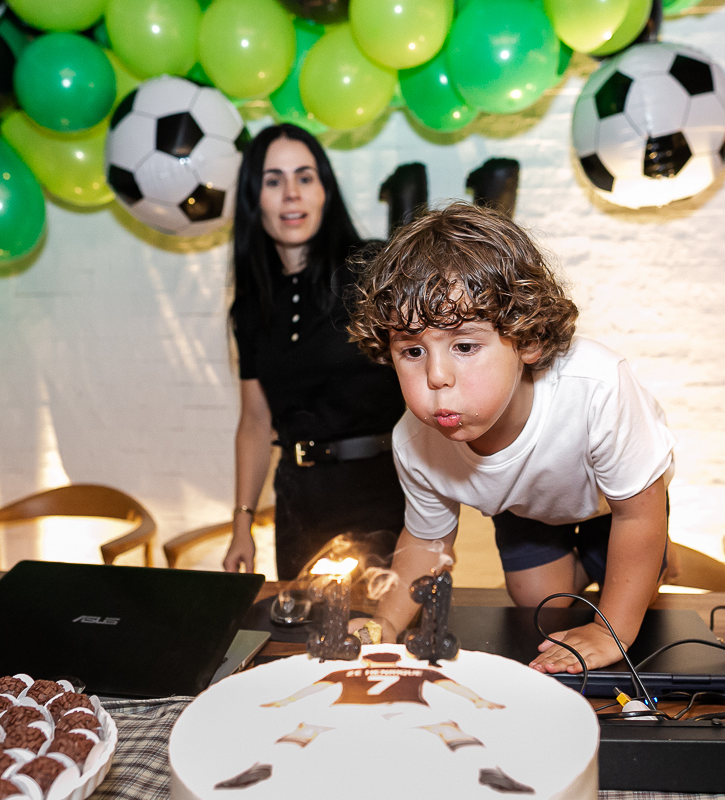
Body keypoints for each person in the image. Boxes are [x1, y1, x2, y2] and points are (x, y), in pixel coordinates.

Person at [346, 203, 676, 674]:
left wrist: (611, 631)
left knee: (633, 585)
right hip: (527, 502)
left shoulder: (597, 387)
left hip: (618, 501)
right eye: (414, 350)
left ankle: (652, 554)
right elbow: (426, 543)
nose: (437, 376)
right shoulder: (415, 442)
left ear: (528, 340)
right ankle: (588, 561)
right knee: (537, 601)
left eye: (464, 346)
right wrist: (386, 624)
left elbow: (638, 514)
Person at [223, 124, 406, 580]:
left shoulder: (373, 269)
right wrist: (241, 524)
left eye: (304, 177)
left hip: (382, 494)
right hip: (298, 503)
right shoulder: (249, 306)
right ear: (253, 199)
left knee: (380, 643)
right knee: (302, 644)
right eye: (272, 180)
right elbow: (254, 421)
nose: (290, 194)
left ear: (325, 190)